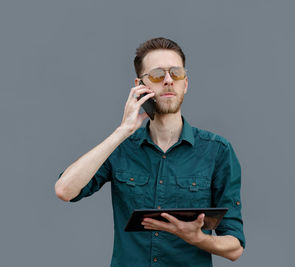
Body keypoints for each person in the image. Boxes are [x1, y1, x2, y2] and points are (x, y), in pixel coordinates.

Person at [55, 37, 245, 267]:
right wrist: (122, 131)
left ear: (185, 83)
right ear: (140, 85)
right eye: (157, 75)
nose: (168, 81)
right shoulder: (121, 148)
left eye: (176, 73)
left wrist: (198, 238)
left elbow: (235, 247)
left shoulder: (217, 151)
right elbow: (65, 190)